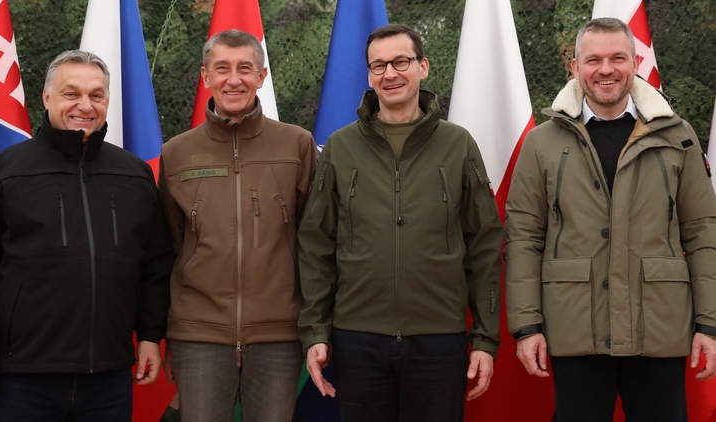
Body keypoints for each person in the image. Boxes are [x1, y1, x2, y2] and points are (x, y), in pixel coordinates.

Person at [505, 17, 716, 422]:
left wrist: (709, 323)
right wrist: (527, 327)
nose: (606, 70)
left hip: (659, 327)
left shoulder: (678, 136)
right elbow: (523, 239)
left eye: (617, 58)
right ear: (575, 67)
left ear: (635, 62)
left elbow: (704, 232)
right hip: (574, 329)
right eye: (593, 60)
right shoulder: (541, 143)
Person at [298, 24, 503, 422]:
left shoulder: (458, 144)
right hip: (358, 338)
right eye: (378, 65)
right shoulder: (341, 146)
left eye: (401, 62)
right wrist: (316, 332)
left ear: (423, 67)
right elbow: (316, 244)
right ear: (369, 75)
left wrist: (484, 338)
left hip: (439, 339)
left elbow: (483, 244)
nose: (389, 73)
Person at [0, 50, 173, 420]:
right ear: (47, 97)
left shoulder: (135, 175)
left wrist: (149, 335)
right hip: (22, 381)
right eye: (71, 93)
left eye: (96, 95)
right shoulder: (6, 172)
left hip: (109, 380)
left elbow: (154, 265)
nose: (85, 105)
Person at [158, 29, 317, 422]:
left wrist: (315, 327)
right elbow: (169, 246)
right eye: (222, 68)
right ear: (205, 76)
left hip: (278, 333)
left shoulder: (297, 145)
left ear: (261, 76)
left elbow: (315, 242)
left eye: (245, 68)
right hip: (199, 334)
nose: (234, 80)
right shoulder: (176, 152)